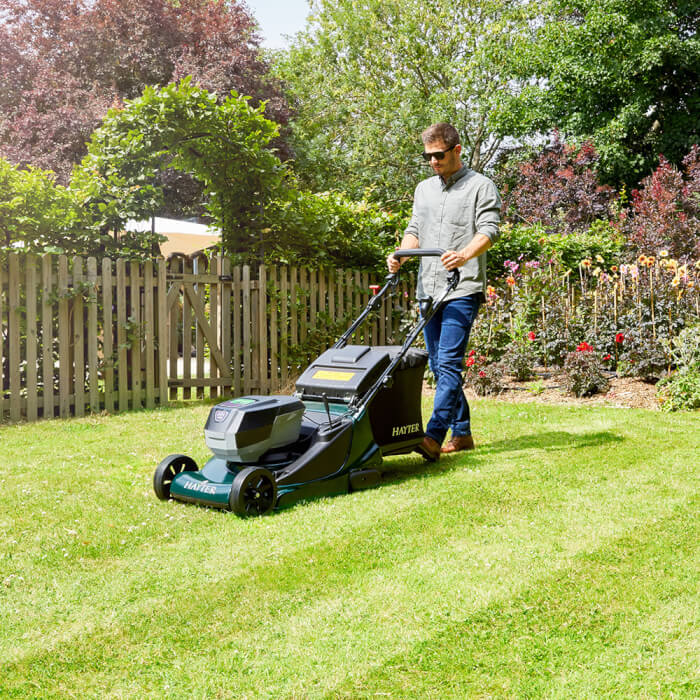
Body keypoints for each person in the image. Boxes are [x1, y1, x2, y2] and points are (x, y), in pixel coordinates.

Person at [387, 122, 501, 461]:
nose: (433, 162)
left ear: (456, 150)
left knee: (449, 363)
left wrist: (464, 254)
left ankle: (434, 436)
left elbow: (490, 231)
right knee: (438, 365)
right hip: (429, 288)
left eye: (439, 155)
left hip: (462, 288)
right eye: (428, 157)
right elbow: (414, 229)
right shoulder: (423, 189)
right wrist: (401, 255)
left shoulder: (481, 186)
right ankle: (462, 433)